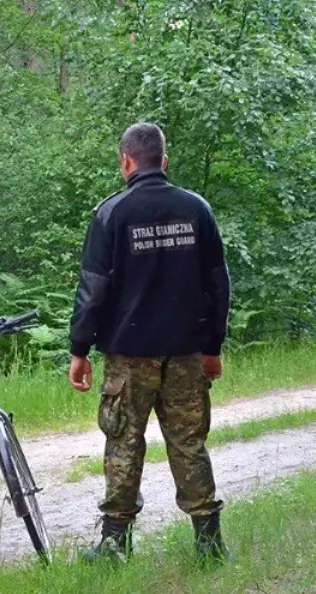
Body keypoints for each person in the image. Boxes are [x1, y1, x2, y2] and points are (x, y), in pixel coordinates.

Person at [68, 122, 232, 562]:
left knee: (123, 441)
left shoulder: (111, 214)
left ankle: (114, 544)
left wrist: (79, 349)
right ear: (165, 158)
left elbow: (93, 290)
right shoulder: (196, 210)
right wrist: (213, 347)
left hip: (129, 357)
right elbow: (219, 285)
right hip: (186, 353)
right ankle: (209, 544)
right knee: (189, 442)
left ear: (125, 161)